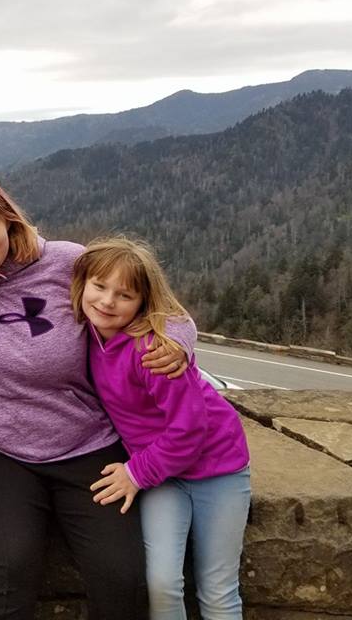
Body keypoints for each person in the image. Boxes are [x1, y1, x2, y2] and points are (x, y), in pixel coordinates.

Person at [0, 173, 197, 620]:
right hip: (1, 451)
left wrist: (178, 343)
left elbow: (158, 306)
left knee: (122, 576)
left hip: (87, 442)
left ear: (9, 220)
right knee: (9, 568)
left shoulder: (67, 262)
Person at [72, 236, 251, 620]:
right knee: (163, 583)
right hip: (163, 477)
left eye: (124, 295)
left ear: (142, 303)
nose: (106, 302)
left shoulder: (151, 352)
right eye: (99, 287)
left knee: (218, 589)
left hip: (217, 468)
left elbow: (189, 429)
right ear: (82, 285)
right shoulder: (85, 335)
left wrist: (135, 473)